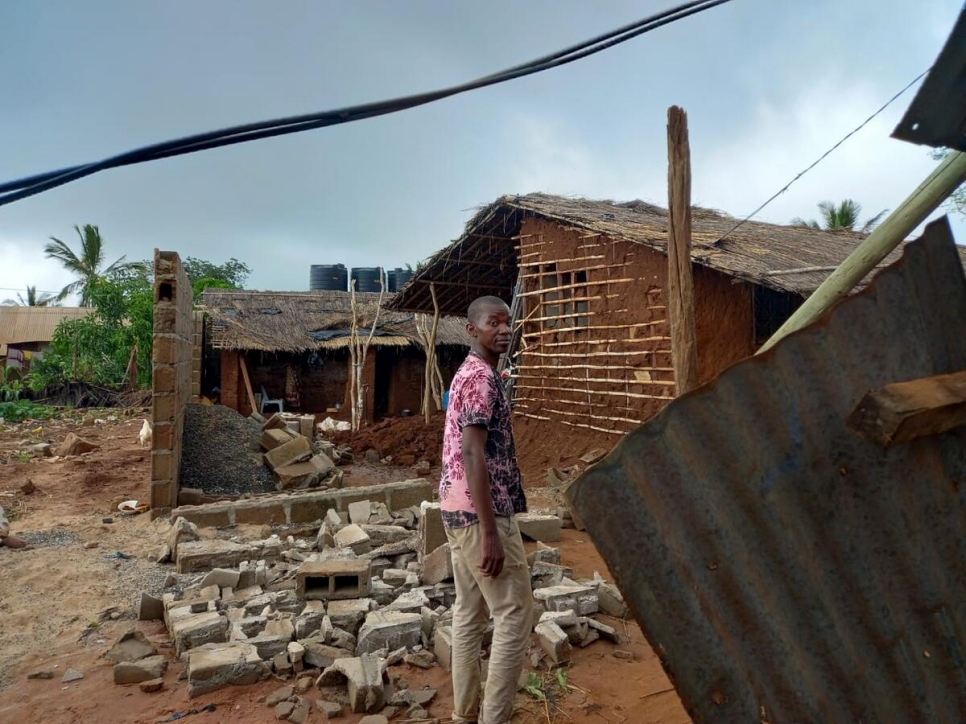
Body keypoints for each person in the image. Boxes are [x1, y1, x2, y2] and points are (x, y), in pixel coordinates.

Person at [439, 295, 532, 724]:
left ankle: (464, 714)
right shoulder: (480, 379)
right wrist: (491, 530)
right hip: (480, 515)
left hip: (455, 511)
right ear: (472, 330)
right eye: (494, 323)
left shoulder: (467, 374)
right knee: (514, 613)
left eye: (507, 323)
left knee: (469, 612)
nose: (504, 330)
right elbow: (474, 454)